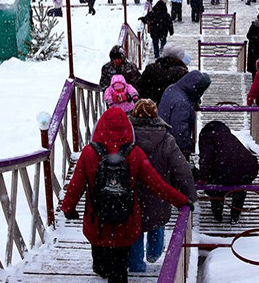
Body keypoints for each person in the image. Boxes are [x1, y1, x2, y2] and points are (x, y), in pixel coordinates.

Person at [60, 108, 191, 283]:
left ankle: (101, 267)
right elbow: (157, 185)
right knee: (120, 268)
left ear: (99, 127)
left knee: (100, 261)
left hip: (97, 221)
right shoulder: (134, 154)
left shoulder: (89, 153)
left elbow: (75, 186)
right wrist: (182, 200)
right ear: (128, 129)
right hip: (125, 223)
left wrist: (68, 208)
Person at [128, 100, 197, 272]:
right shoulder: (166, 139)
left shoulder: (127, 137)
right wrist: (190, 195)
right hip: (159, 194)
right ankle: (154, 253)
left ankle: (136, 264)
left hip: (132, 194)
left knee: (135, 228)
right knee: (157, 223)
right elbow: (182, 169)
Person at [198, 120, 259, 223]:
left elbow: (206, 159)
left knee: (216, 186)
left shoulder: (207, 137)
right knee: (240, 186)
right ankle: (235, 214)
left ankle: (217, 213)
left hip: (225, 169)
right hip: (249, 168)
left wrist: (203, 178)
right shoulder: (228, 136)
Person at [158, 70, 211, 159]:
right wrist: (187, 147)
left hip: (162, 141)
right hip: (172, 150)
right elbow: (179, 131)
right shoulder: (182, 104)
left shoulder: (172, 89)